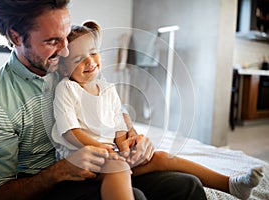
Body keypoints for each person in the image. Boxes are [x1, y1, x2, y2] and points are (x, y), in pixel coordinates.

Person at [0, 0, 208, 200]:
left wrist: (132, 134)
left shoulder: (72, 61)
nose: (66, 50)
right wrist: (59, 172)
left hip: (104, 164)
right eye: (53, 41)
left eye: (66, 36)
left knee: (188, 187)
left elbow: (110, 105)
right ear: (15, 36)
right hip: (51, 184)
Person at [52, 21, 264, 200]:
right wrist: (103, 149)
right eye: (78, 60)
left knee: (162, 157)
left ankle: (231, 185)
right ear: (63, 68)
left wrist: (125, 146)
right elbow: (70, 131)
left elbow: (117, 126)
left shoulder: (107, 89)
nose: (89, 62)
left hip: (111, 155)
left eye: (93, 53)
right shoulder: (67, 89)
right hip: (83, 160)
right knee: (119, 169)